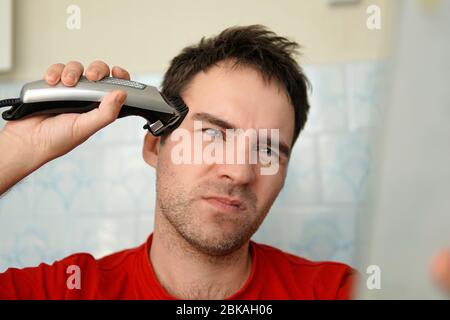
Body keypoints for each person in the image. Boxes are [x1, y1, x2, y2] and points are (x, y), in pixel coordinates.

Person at [0, 25, 355, 299]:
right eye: (214, 134)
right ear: (155, 145)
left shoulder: (338, 291)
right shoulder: (63, 290)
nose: (241, 172)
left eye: (267, 151)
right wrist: (14, 150)